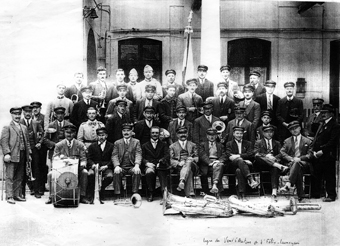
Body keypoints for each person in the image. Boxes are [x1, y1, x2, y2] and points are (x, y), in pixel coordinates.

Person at [46, 124, 89, 204]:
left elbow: (83, 158)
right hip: (62, 169)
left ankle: (82, 196)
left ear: (75, 133)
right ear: (64, 133)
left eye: (72, 132)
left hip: (76, 169)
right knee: (50, 174)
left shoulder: (80, 145)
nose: (69, 134)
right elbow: (54, 159)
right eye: (67, 132)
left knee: (85, 172)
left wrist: (82, 164)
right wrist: (62, 160)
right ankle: (51, 196)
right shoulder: (59, 145)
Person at [0, 107, 31, 204]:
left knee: (19, 175)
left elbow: (27, 142)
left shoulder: (24, 127)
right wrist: (6, 153)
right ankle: (9, 196)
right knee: (10, 176)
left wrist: (28, 154)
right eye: (15, 114)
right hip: (12, 155)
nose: (17, 116)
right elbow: (3, 141)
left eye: (19, 114)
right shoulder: (7, 127)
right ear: (11, 115)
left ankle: (16, 195)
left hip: (22, 154)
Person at [311, 104, 340, 201]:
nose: (323, 114)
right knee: (317, 173)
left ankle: (331, 195)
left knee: (329, 175)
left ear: (331, 114)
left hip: (328, 154)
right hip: (318, 154)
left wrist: (322, 151)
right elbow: (317, 139)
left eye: (325, 112)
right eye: (322, 112)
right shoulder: (322, 124)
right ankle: (317, 194)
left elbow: (333, 141)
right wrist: (314, 150)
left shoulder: (335, 125)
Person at [279, 121, 312, 202]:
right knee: (298, 170)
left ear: (300, 128)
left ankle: (288, 183)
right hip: (291, 164)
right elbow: (282, 152)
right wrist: (290, 158)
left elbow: (310, 154)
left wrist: (300, 159)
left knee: (297, 164)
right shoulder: (287, 141)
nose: (294, 130)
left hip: (304, 164)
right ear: (290, 131)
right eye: (292, 129)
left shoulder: (307, 141)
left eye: (296, 128)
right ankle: (301, 196)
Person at [225, 126, 259, 201]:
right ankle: (250, 179)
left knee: (239, 171)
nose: (239, 135)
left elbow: (250, 154)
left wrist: (238, 156)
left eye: (241, 133)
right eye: (237, 133)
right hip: (232, 166)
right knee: (239, 161)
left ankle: (241, 195)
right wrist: (241, 159)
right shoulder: (229, 144)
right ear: (233, 134)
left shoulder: (248, 143)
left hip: (246, 165)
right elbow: (229, 155)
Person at [254, 125, 287, 201]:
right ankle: (278, 165)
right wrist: (267, 156)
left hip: (273, 163)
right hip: (261, 165)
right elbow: (256, 153)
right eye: (267, 132)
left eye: (271, 132)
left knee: (275, 168)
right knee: (258, 156)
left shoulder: (277, 143)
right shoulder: (258, 142)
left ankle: (274, 191)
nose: (269, 134)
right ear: (263, 133)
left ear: (273, 133)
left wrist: (274, 158)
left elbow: (281, 153)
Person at [112, 123, 142, 199]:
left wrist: (137, 165)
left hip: (132, 166)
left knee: (137, 172)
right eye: (124, 131)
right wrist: (116, 166)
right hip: (121, 166)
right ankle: (118, 195)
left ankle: (135, 194)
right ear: (122, 132)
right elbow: (114, 155)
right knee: (116, 173)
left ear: (132, 132)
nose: (126, 132)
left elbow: (138, 154)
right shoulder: (117, 143)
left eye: (128, 130)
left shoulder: (136, 142)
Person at [20, 105, 44, 199]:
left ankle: (36, 191)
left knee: (36, 169)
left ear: (31, 113)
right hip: (23, 149)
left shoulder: (36, 123)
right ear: (23, 113)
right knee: (22, 170)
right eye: (25, 112)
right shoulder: (20, 122)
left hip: (34, 149)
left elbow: (42, 134)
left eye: (29, 112)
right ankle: (22, 193)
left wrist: (39, 143)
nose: (27, 114)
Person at [142, 126, 170, 202]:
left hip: (160, 165)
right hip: (150, 165)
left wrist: (160, 161)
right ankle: (151, 193)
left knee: (162, 172)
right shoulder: (145, 145)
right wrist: (147, 163)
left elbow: (167, 155)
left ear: (159, 134)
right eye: (153, 133)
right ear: (150, 133)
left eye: (156, 133)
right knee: (149, 172)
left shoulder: (163, 144)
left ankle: (163, 193)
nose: (154, 134)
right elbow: (142, 157)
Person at [86, 127, 114, 204]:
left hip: (106, 167)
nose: (101, 137)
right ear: (97, 136)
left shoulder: (111, 146)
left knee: (110, 176)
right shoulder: (92, 146)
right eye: (99, 135)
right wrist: (93, 165)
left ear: (106, 136)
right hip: (94, 167)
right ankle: (91, 194)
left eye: (103, 135)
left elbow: (113, 158)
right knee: (90, 174)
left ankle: (101, 191)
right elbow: (88, 158)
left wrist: (107, 166)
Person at [169, 126, 198, 198]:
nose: (183, 135)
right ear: (177, 135)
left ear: (187, 134)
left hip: (192, 165)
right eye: (180, 133)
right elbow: (171, 160)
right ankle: (189, 193)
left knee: (188, 162)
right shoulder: (172, 146)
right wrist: (178, 163)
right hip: (179, 167)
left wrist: (192, 159)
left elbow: (197, 158)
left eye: (184, 133)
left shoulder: (193, 145)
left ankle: (182, 180)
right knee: (189, 171)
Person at [198, 128, 226, 197]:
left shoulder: (220, 145)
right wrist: (210, 162)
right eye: (210, 135)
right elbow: (202, 155)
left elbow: (224, 155)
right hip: (206, 164)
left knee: (220, 165)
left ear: (216, 136)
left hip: (217, 162)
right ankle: (216, 188)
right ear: (207, 136)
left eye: (213, 135)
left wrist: (219, 161)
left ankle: (215, 186)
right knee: (218, 167)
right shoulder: (202, 145)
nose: (212, 137)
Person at [31, 101, 48, 194]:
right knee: (34, 165)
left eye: (37, 107)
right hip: (33, 146)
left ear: (40, 108)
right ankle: (34, 187)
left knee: (42, 165)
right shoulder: (29, 117)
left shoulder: (44, 117)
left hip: (42, 145)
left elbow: (46, 131)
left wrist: (41, 142)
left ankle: (42, 186)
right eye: (33, 108)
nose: (35, 109)